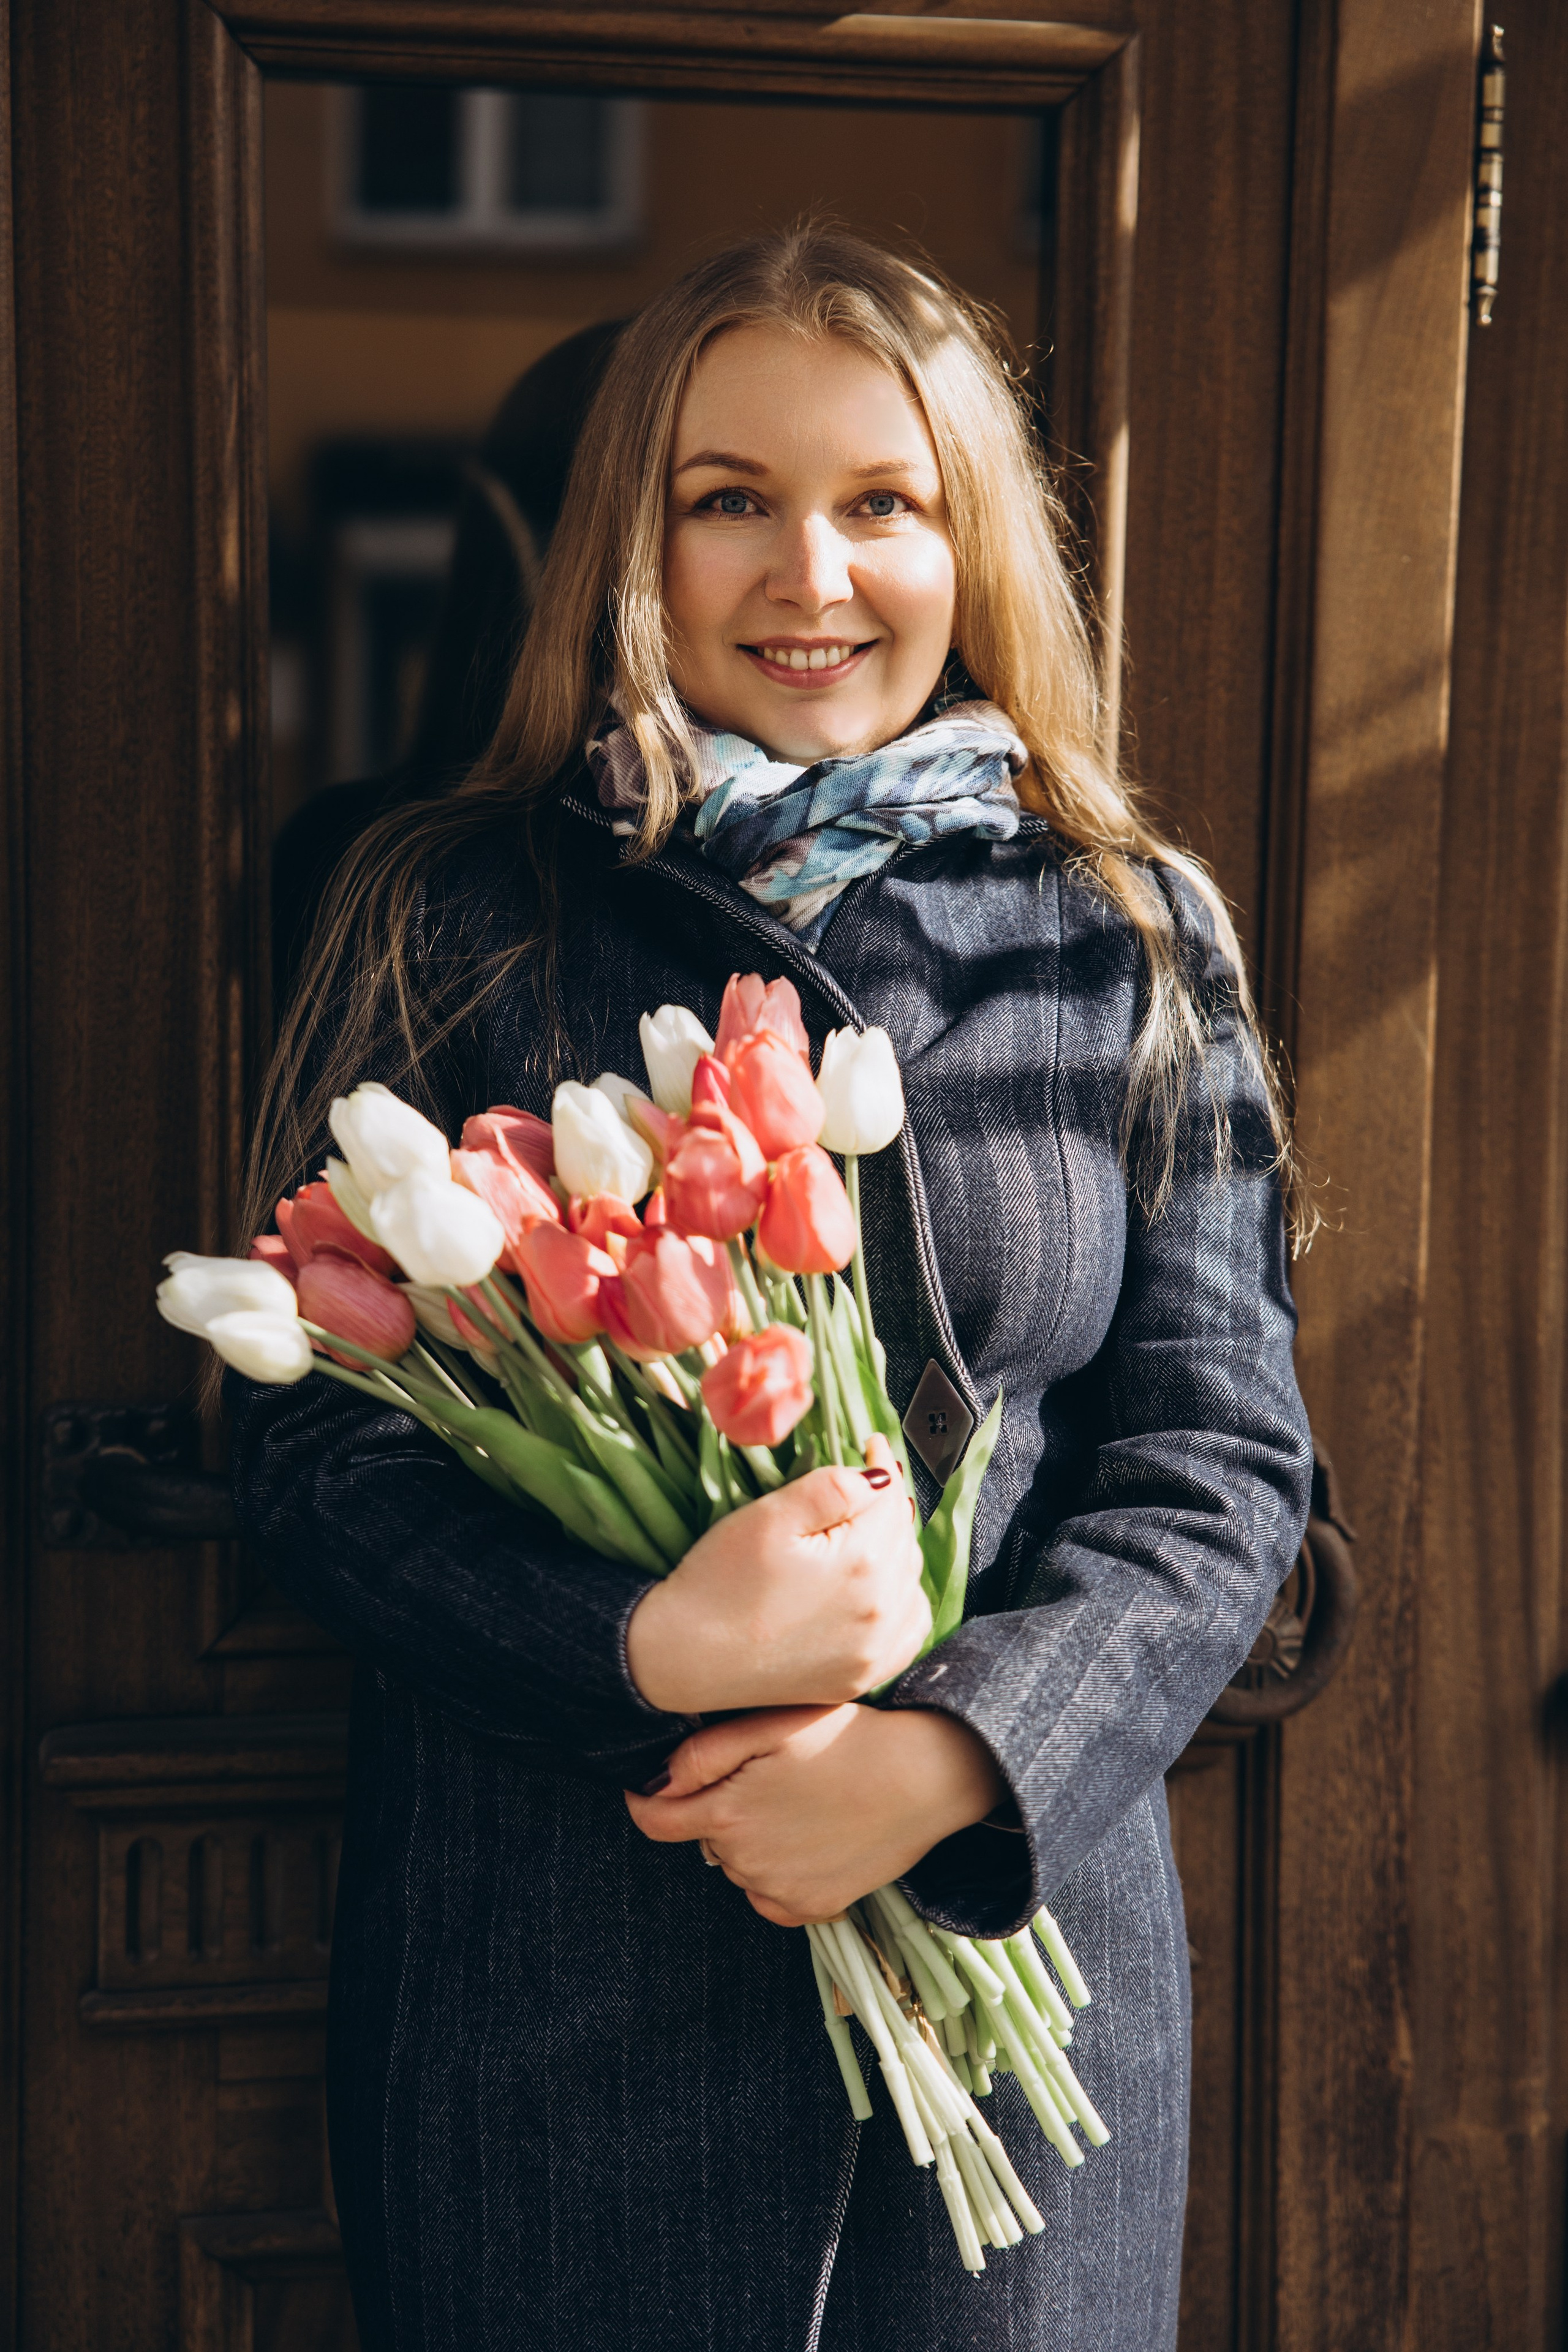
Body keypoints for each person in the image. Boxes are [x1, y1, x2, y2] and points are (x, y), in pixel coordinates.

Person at [229, 224, 1313, 2352]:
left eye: (882, 503)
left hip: (1015, 1998)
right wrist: (649, 1640)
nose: (813, 575)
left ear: (968, 542)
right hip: (550, 2006)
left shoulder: (1124, 927)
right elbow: (310, 1459)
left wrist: (958, 1760)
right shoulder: (446, 910)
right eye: (731, 499)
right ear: (632, 544)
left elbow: (1220, 1461)